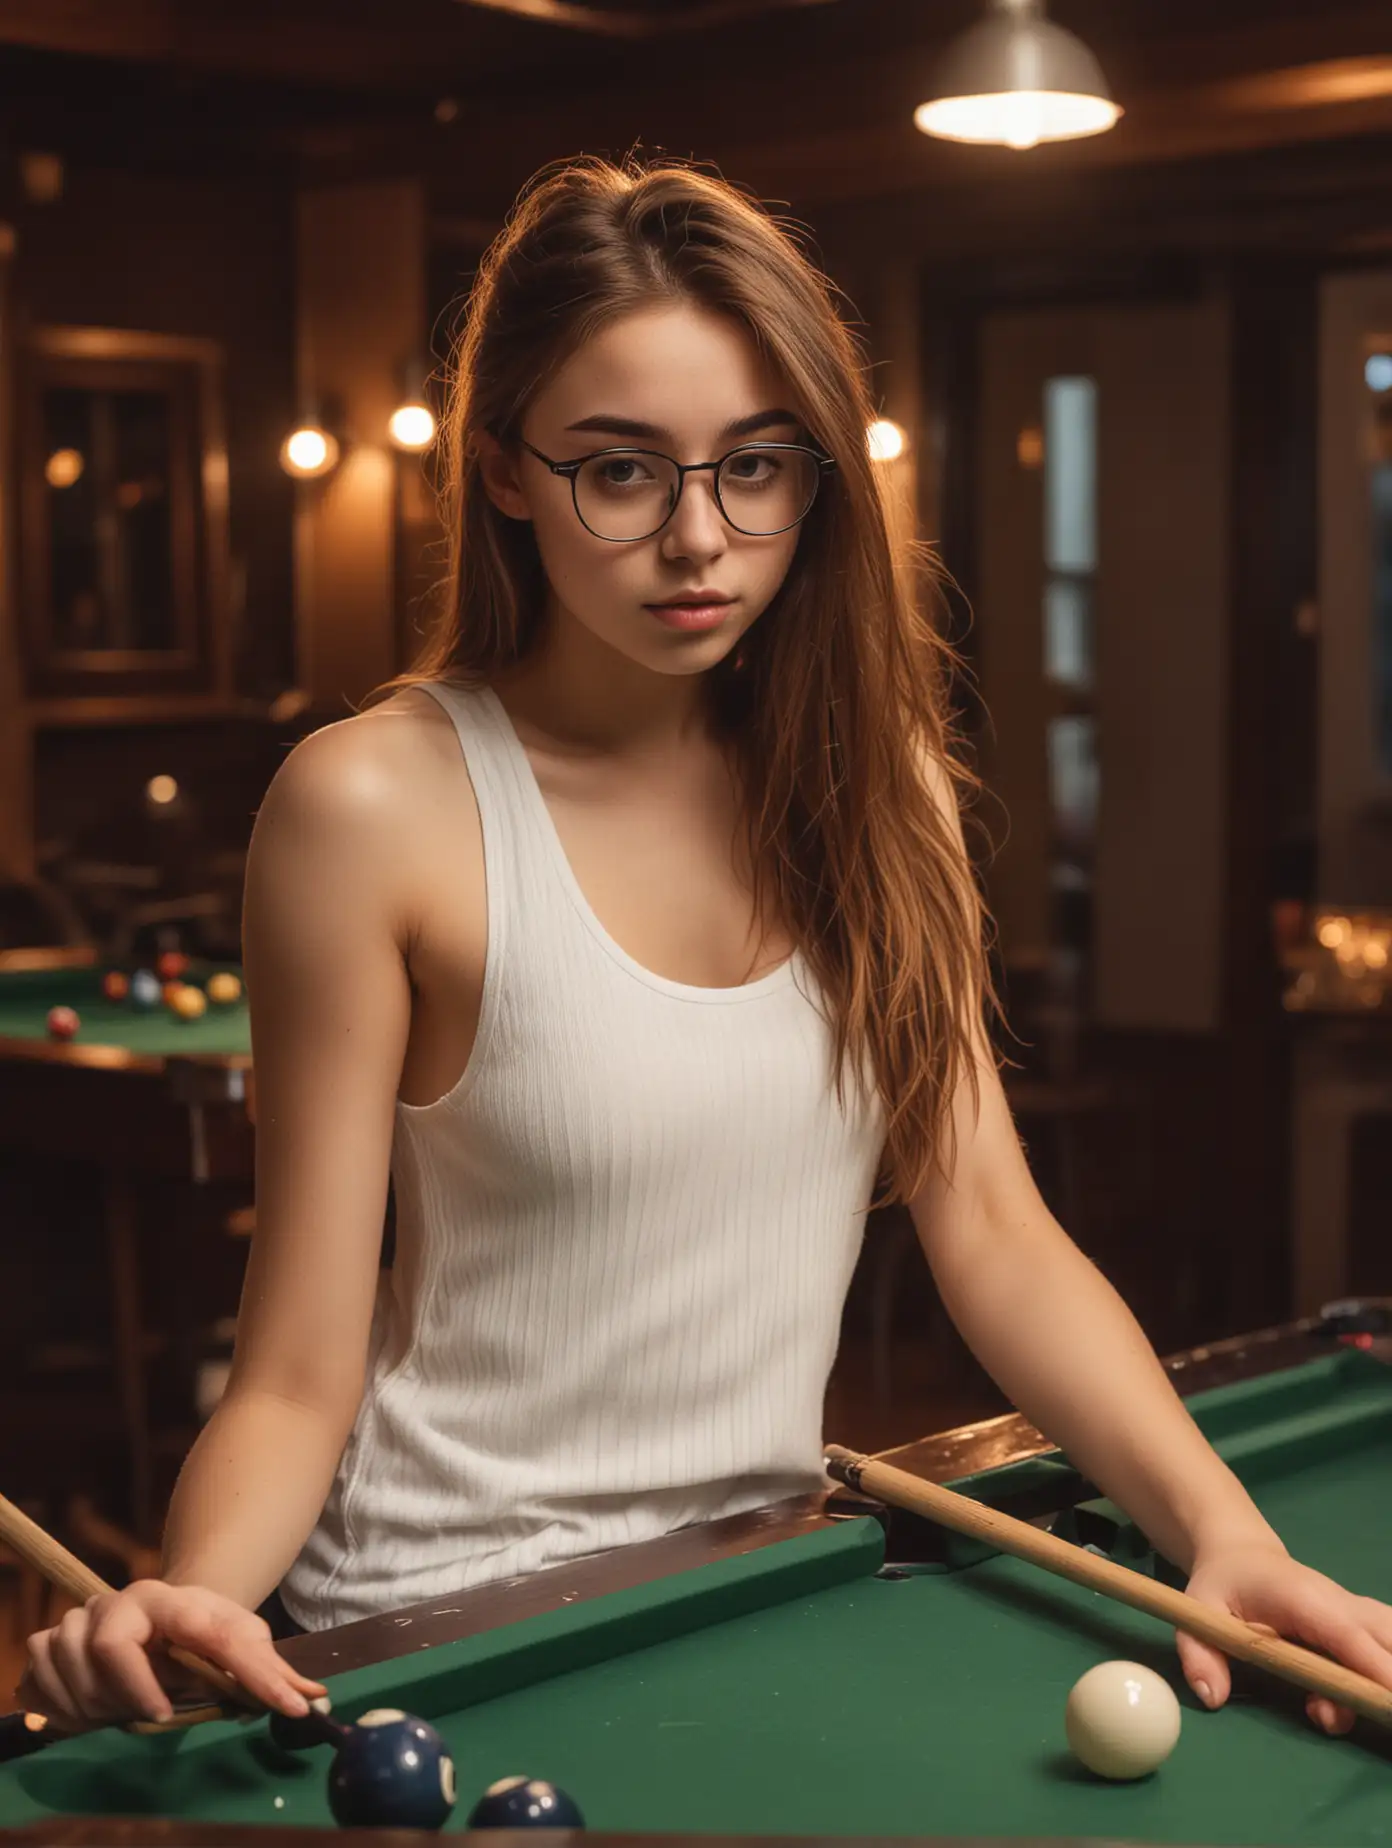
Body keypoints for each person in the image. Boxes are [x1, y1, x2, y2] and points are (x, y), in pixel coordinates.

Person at [20, 154, 1392, 1736]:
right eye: (623, 471)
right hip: (429, 1628)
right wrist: (195, 1591)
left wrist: (1222, 1530)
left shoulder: (887, 798)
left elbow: (998, 1234)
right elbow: (298, 1365)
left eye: (757, 466)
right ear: (507, 473)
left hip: (751, 1584)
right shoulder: (369, 805)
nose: (701, 539)